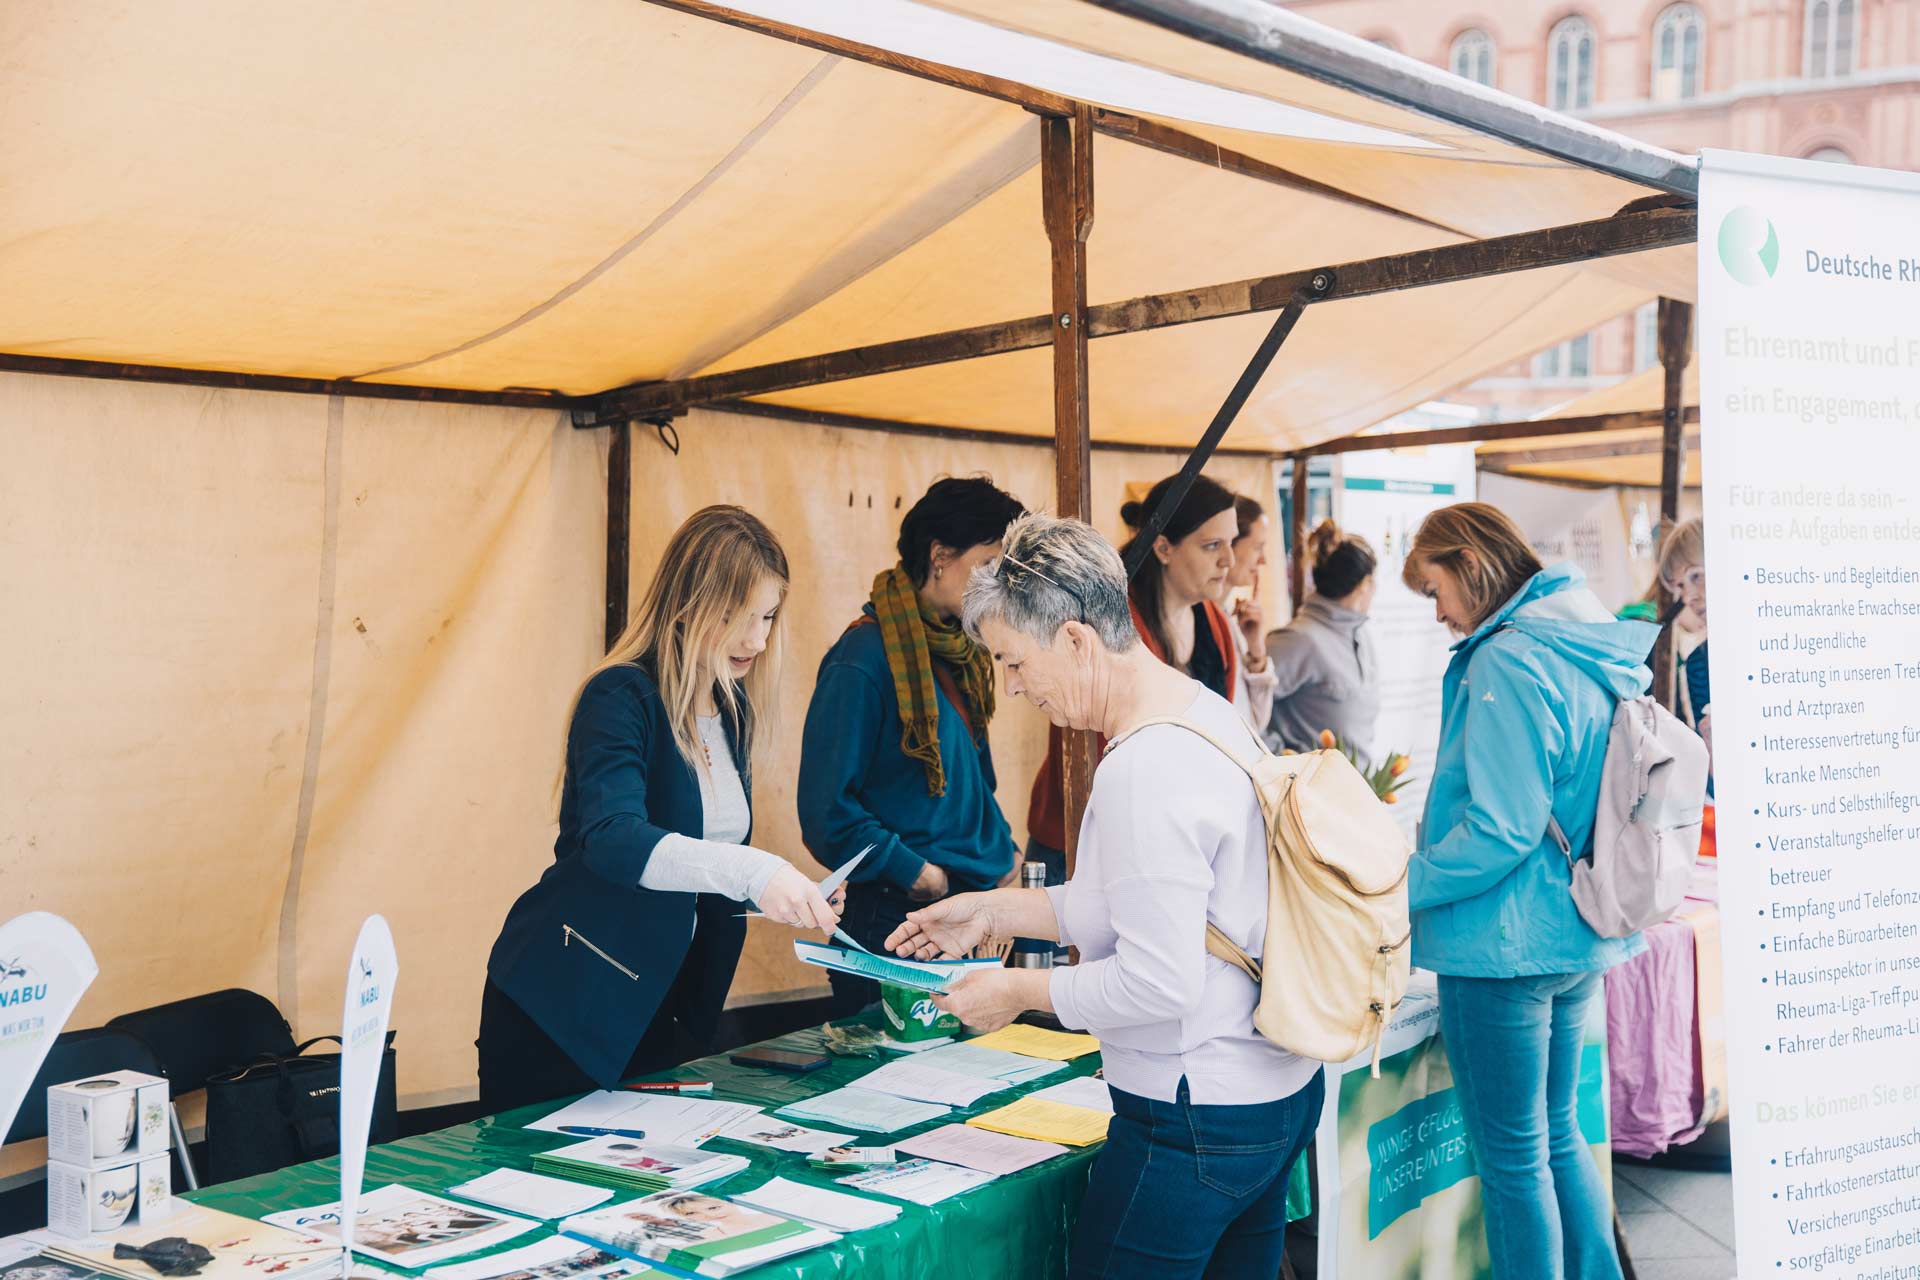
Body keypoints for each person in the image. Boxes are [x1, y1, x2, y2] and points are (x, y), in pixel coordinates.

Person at [889, 513, 1324, 1280]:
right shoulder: (1200, 712)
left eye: (1015, 663)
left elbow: (1158, 981)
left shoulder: (1142, 769)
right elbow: (1128, 905)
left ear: (1077, 641)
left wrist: (1016, 991)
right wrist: (990, 911)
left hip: (1192, 1116)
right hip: (1270, 1089)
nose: (1015, 688)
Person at [478, 506, 841, 1112]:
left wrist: (787, 893)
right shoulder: (620, 695)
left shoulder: (733, 711)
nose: (756, 639)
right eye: (736, 616)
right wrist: (755, 870)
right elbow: (616, 840)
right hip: (568, 1003)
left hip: (667, 1011)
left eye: (768, 617)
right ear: (689, 602)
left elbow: (700, 866)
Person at [1401, 502, 1651, 1280]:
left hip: (1502, 944)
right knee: (1554, 1133)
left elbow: (1501, 829)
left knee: (1514, 1160)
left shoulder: (1508, 658)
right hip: (1576, 929)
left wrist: (1399, 885)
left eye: (1435, 589)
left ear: (1469, 565)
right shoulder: (1581, 633)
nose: (1438, 613)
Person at [797, 476, 1024, 1010]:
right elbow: (825, 813)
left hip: (967, 907)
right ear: (940, 555)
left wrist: (1002, 848)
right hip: (894, 919)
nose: (1000, 585)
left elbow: (974, 780)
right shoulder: (863, 659)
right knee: (892, 1085)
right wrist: (916, 874)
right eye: (989, 565)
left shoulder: (962, 652)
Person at [1024, 473, 1253, 881]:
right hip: (1087, 835)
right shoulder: (1113, 623)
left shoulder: (1214, 623)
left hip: (1172, 834)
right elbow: (1103, 746)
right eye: (1212, 545)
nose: (1229, 561)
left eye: (1232, 542)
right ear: (1164, 548)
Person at [1264, 518, 1380, 757]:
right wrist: (1284, 759)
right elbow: (1242, 710)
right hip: (1307, 791)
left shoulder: (1361, 635)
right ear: (1365, 585)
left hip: (1356, 788)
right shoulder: (1299, 640)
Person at [1222, 494, 1277, 733]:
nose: (1263, 559)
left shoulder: (1230, 619)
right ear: (1228, 544)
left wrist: (1256, 650)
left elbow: (1257, 722)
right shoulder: (1197, 619)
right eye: (1257, 547)